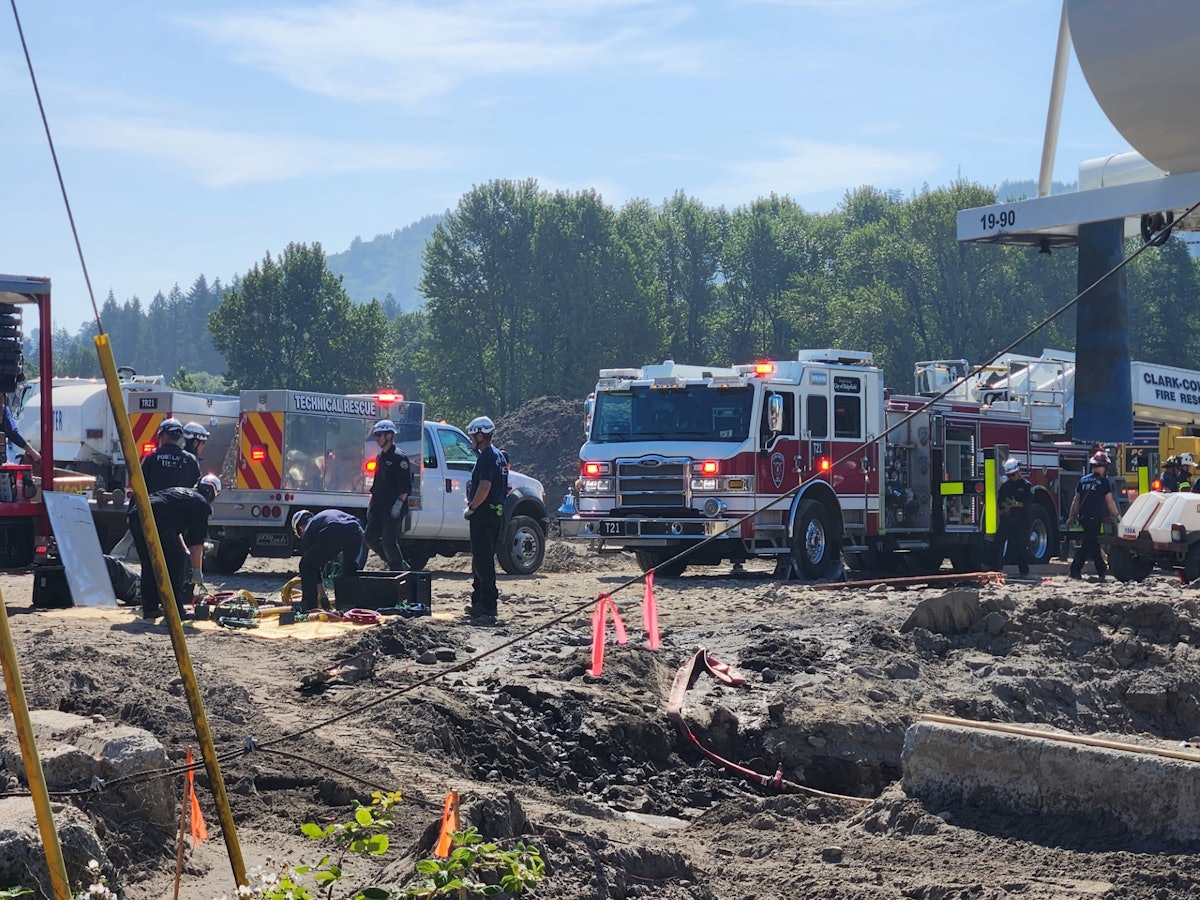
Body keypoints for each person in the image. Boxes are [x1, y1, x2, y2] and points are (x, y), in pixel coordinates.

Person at [128, 475, 221, 619]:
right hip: (159, 520)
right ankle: (176, 610)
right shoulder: (202, 505)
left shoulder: (181, 493)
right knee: (176, 564)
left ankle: (150, 608)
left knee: (148, 563)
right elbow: (196, 543)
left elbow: (175, 528)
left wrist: (183, 550)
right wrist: (196, 571)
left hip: (137, 514)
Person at [464, 415, 508, 621]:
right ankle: (479, 600)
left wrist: (472, 507)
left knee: (482, 561)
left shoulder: (487, 457)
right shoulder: (499, 455)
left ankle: (488, 604)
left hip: (484, 514)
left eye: (473, 435)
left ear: (480, 435)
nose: (471, 439)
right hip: (495, 512)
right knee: (483, 558)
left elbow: (485, 486)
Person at [361, 419, 411, 571]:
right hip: (379, 506)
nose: (376, 438)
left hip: (393, 507)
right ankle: (396, 563)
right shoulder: (380, 457)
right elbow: (377, 484)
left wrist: (398, 504)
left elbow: (405, 487)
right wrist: (371, 505)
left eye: (379, 435)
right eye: (375, 435)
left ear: (389, 435)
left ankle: (399, 570)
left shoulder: (399, 457)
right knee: (369, 538)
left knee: (388, 541)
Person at [292, 508, 364, 612]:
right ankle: (349, 605)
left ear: (301, 528)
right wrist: (323, 596)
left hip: (334, 529)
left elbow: (312, 567)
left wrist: (322, 596)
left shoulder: (308, 531)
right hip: (355, 529)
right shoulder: (319, 520)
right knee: (349, 569)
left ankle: (309, 608)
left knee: (305, 564)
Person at [1067, 451, 1121, 582]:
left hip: (1084, 518)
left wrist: (1071, 516)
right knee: (1089, 545)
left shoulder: (1083, 480)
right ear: (1102, 466)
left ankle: (1099, 570)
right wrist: (1118, 517)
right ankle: (1076, 571)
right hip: (1095, 518)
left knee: (1092, 543)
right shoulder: (1103, 482)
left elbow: (1076, 500)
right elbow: (1110, 502)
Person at [996, 457, 1033, 577]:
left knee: (1021, 548)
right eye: (1009, 475)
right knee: (998, 544)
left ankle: (1024, 572)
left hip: (1021, 522)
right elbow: (999, 501)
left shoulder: (1026, 485)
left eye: (1012, 475)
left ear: (1018, 472)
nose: (1011, 477)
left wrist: (1014, 504)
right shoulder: (1005, 486)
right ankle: (996, 569)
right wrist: (1004, 506)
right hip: (1007, 521)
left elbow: (1028, 502)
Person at [142, 418, 201, 493]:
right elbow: (196, 487)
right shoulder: (191, 459)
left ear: (162, 435)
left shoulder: (151, 457)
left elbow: (140, 483)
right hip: (182, 504)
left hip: (154, 503)